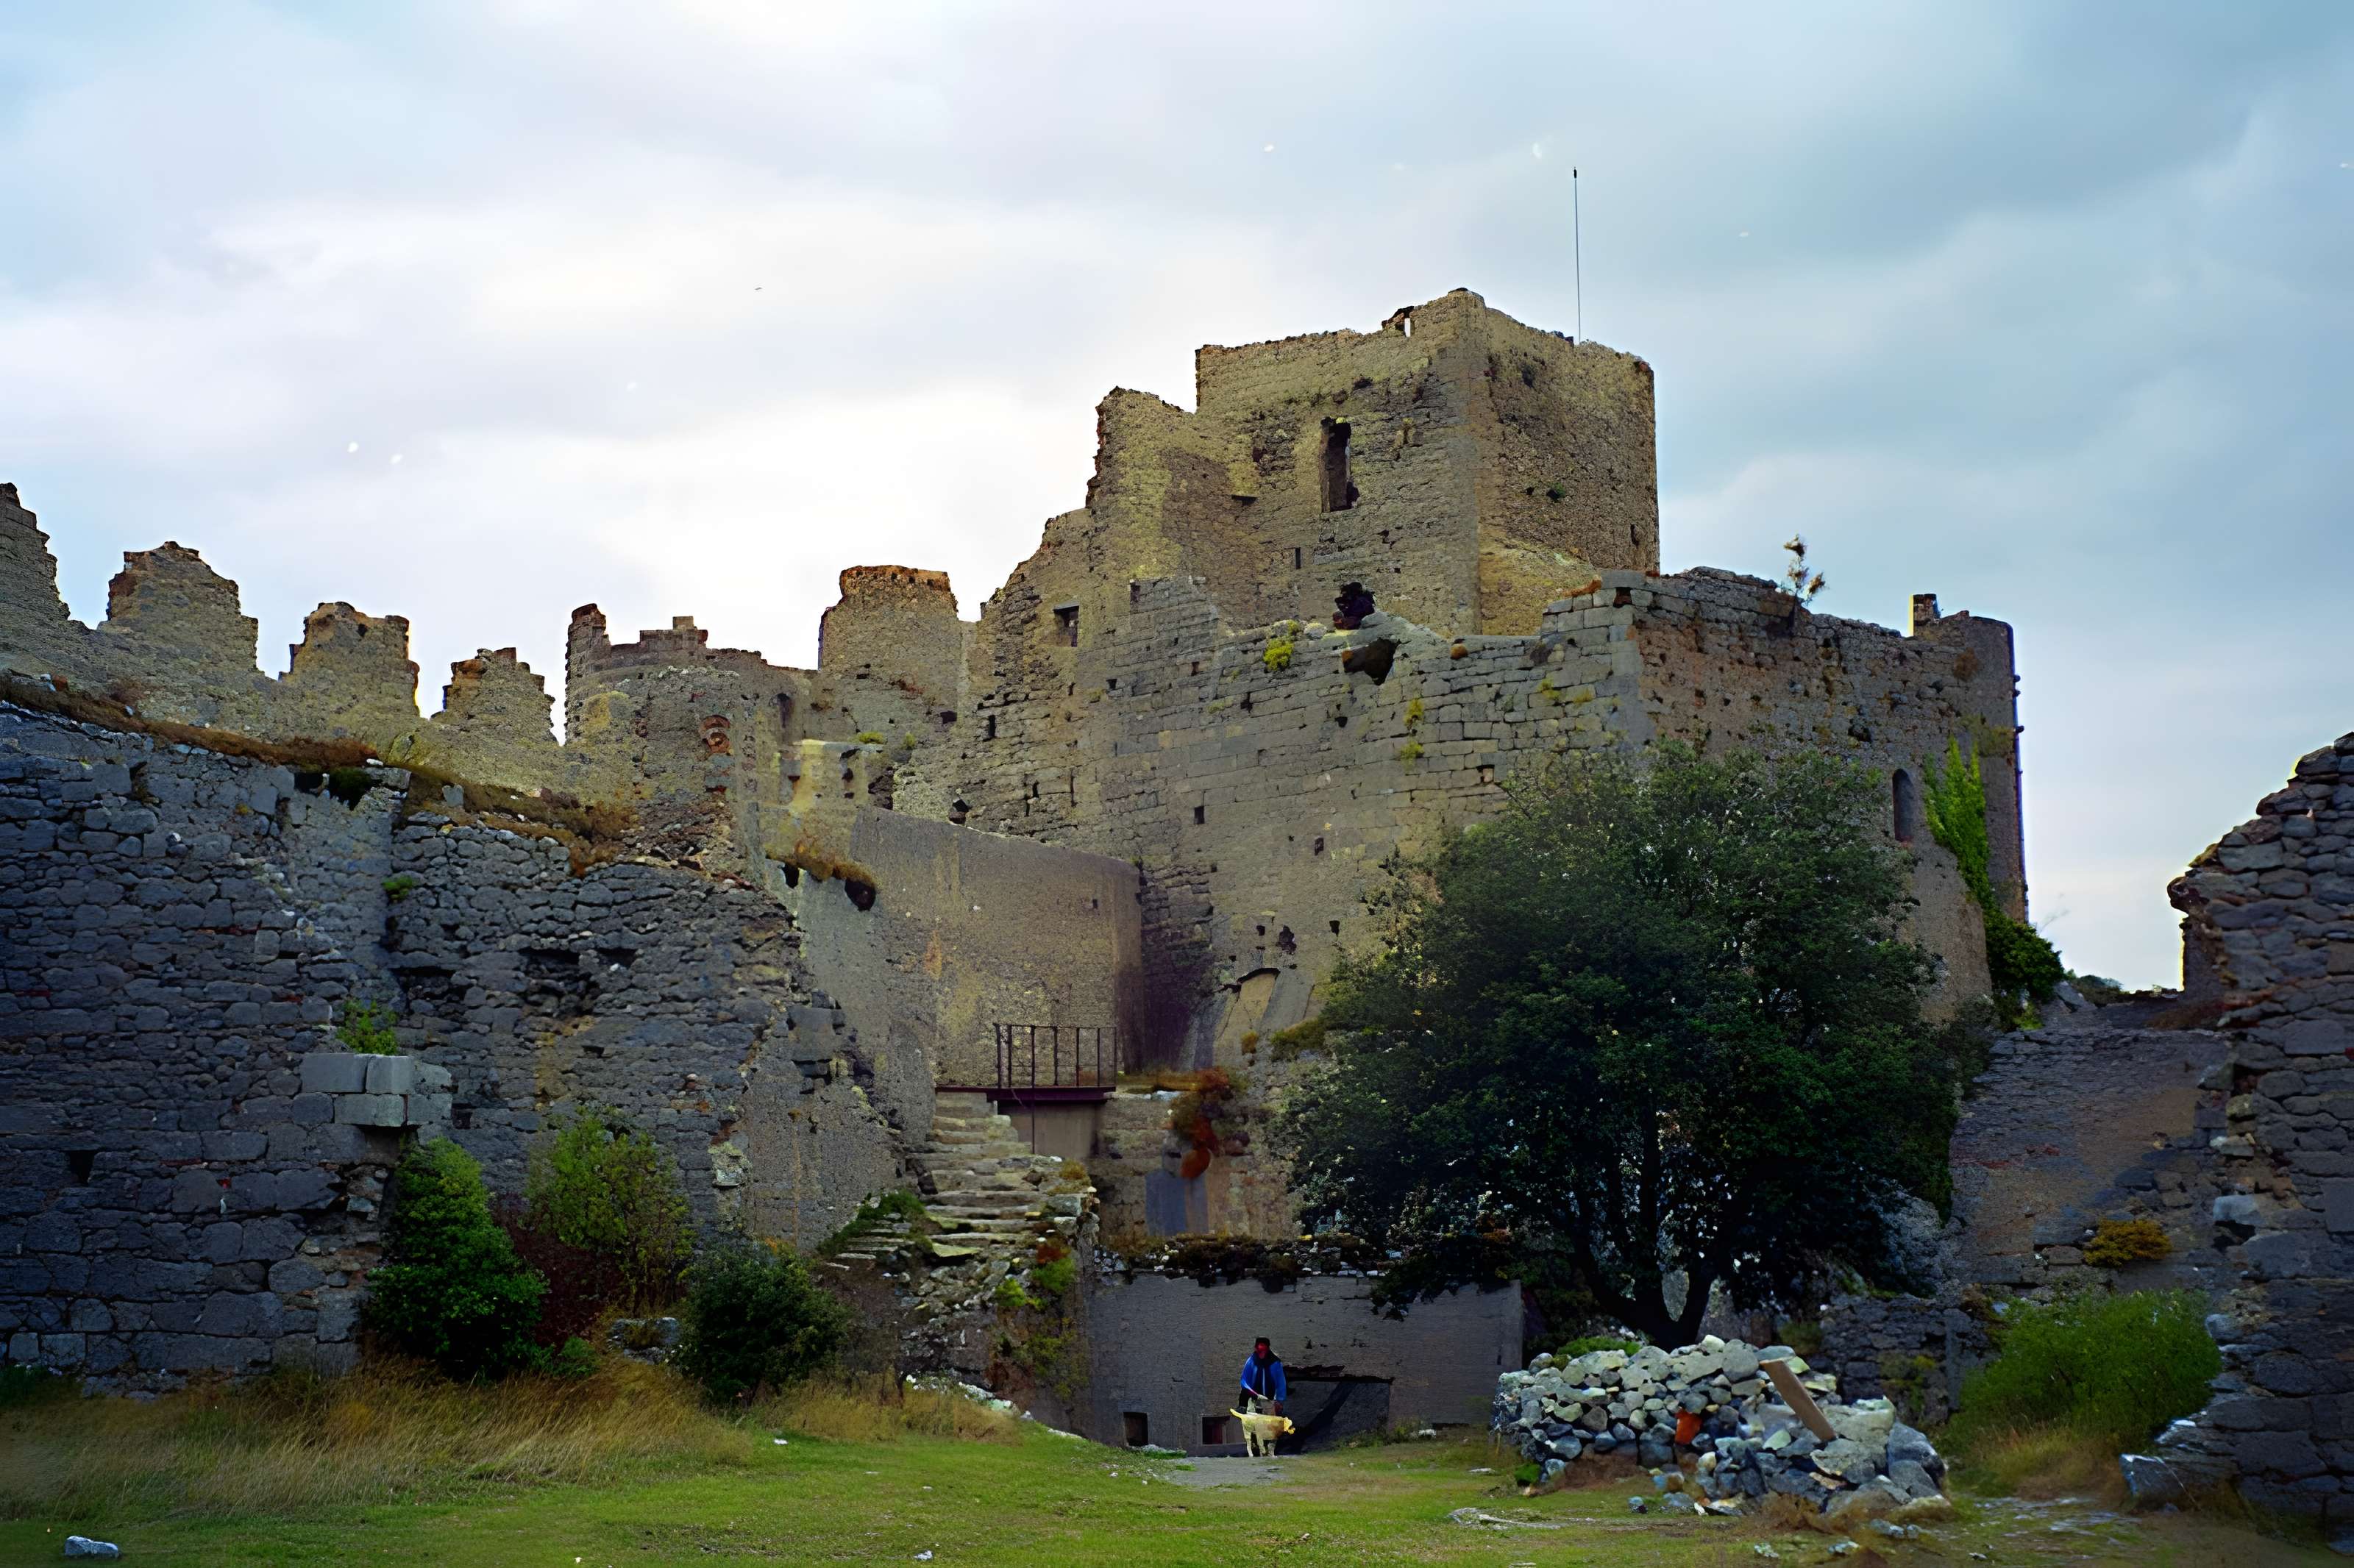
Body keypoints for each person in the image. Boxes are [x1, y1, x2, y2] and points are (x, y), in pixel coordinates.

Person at [1240, 1336, 1287, 1415]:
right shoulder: (1251, 1361)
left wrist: (1279, 1401)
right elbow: (1244, 1381)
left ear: (1268, 1349)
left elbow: (1281, 1383)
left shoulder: (1275, 1363)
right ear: (1256, 1348)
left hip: (1270, 1399)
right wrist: (1252, 1393)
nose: (1262, 1354)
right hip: (1254, 1398)